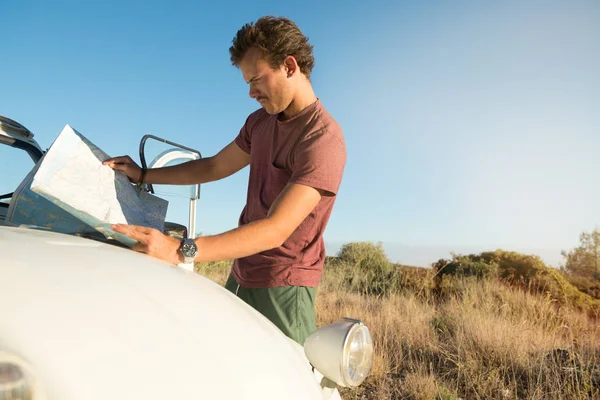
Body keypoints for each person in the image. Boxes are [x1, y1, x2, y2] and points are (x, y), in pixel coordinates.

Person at [103, 16, 346, 345]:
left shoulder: (322, 139)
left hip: (285, 287)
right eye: (247, 82)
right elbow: (214, 167)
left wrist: (180, 250)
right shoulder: (259, 122)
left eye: (257, 79)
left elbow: (277, 229)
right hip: (242, 272)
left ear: (289, 66)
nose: (250, 92)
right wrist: (143, 175)